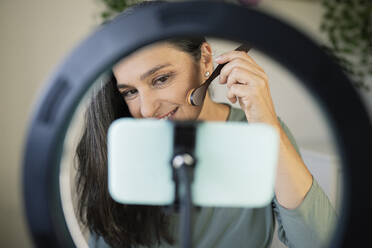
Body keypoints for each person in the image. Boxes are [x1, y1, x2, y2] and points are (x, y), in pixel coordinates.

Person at [75, 2, 337, 248]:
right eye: (130, 92)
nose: (146, 109)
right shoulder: (122, 143)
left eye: (161, 79)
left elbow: (323, 241)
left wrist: (267, 125)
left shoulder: (260, 135)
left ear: (205, 60)